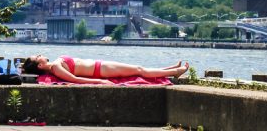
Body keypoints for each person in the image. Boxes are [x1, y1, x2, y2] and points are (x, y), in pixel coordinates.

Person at [21, 54, 188, 85]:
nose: (41, 54)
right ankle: (174, 72)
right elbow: (76, 80)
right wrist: (100, 81)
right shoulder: (56, 68)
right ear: (40, 65)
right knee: (138, 70)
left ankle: (168, 69)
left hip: (100, 66)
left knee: (138, 69)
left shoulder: (55, 65)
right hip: (101, 70)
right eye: (38, 57)